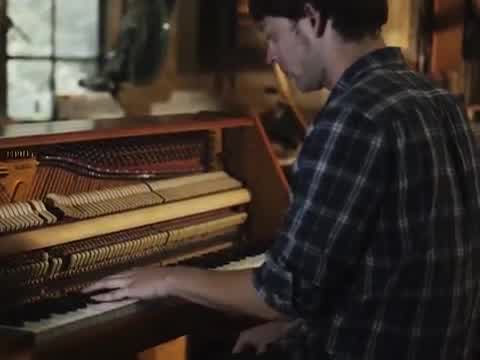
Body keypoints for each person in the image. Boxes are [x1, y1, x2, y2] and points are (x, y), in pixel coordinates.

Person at [83, 1, 480, 359]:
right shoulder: (438, 101)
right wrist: (302, 326)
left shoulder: (355, 117)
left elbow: (281, 292)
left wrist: (168, 277)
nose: (271, 53)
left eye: (273, 35)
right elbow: (396, 269)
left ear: (312, 17)